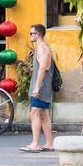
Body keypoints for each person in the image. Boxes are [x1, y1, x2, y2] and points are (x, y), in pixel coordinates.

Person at [21, 24, 56, 153]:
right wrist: (31, 69)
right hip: (43, 85)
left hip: (41, 86)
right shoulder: (43, 48)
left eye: (32, 33)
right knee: (44, 115)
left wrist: (36, 87)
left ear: (38, 35)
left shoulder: (42, 48)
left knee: (34, 112)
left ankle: (35, 144)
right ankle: (49, 143)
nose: (30, 35)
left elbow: (43, 68)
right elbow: (43, 67)